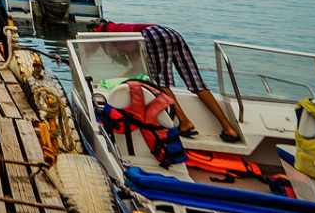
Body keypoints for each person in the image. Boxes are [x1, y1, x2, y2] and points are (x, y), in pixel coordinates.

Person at [95, 20, 241, 141]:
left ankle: (185, 122)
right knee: (195, 81)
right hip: (170, 32)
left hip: (153, 36)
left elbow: (89, 46)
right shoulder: (122, 30)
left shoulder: (104, 32)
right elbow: (138, 67)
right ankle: (228, 128)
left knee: (160, 82)